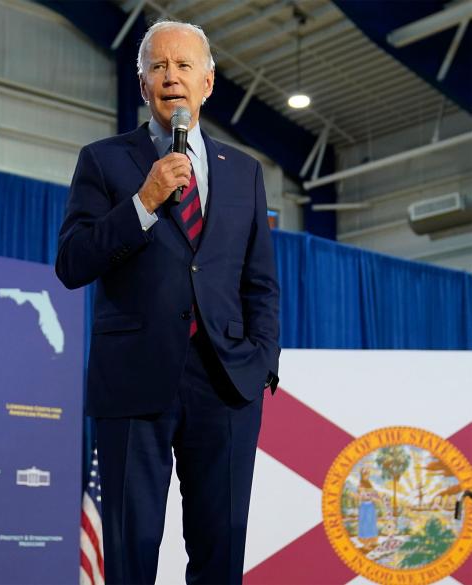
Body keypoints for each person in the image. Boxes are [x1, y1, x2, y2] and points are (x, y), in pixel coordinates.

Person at [55, 19, 280, 585]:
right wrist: (144, 202)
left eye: (184, 66)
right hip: (134, 382)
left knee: (220, 548)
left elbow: (260, 282)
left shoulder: (245, 172)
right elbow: (72, 263)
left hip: (227, 383)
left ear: (208, 83)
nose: (171, 77)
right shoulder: (103, 161)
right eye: (158, 66)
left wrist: (261, 362)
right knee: (132, 551)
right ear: (142, 84)